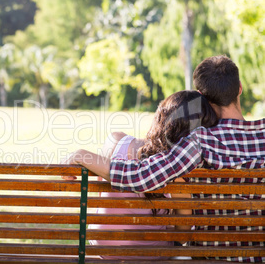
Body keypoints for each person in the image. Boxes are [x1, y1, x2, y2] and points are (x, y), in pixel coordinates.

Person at [64, 55, 265, 262]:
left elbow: (139, 176)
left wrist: (82, 155)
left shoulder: (201, 142)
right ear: (239, 88)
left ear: (200, 97)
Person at [83, 90, 218, 260]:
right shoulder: (177, 169)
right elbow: (183, 234)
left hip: (103, 247)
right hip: (152, 254)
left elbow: (100, 194)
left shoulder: (115, 141)